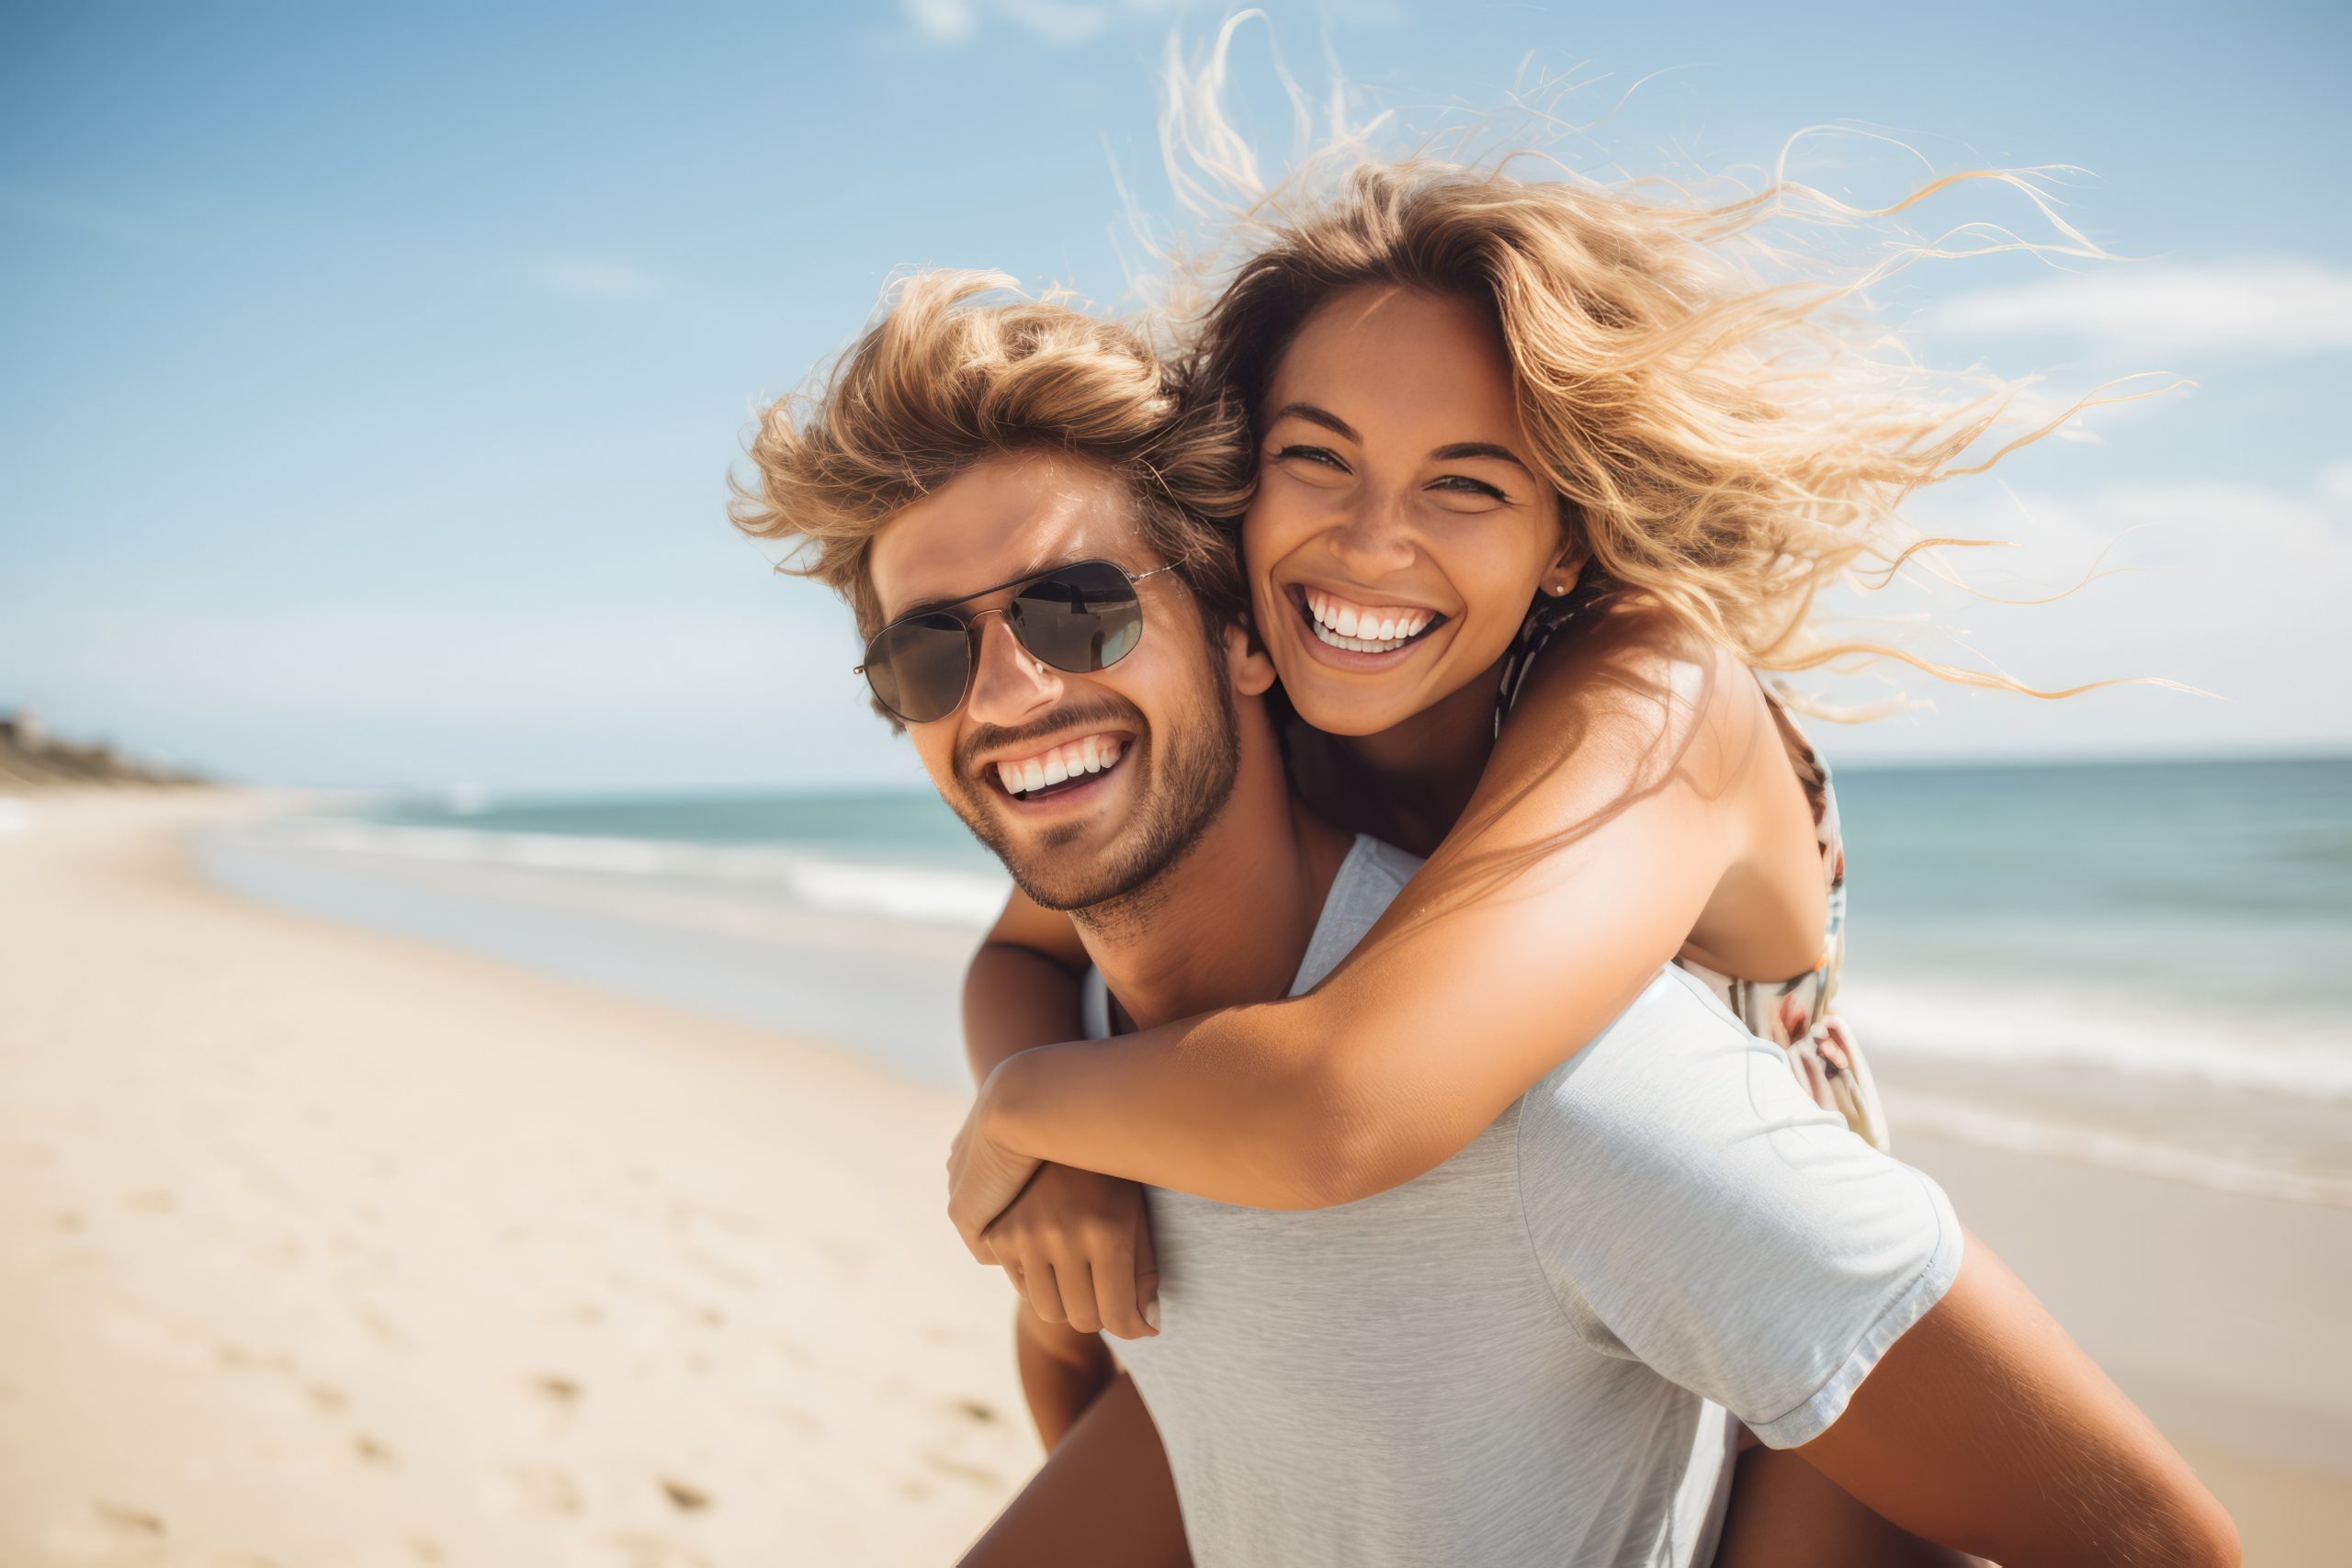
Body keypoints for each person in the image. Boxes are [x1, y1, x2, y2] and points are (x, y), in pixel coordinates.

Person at [730, 275, 2237, 1566]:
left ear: (1234, 636)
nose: (1005, 694)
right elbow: (1036, 969)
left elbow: (1350, 1101)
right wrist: (1039, 1108)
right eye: (926, 659)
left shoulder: (1639, 740)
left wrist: (1031, 1108)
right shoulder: (1187, 877)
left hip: (1759, 1166)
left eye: (1080, 611)